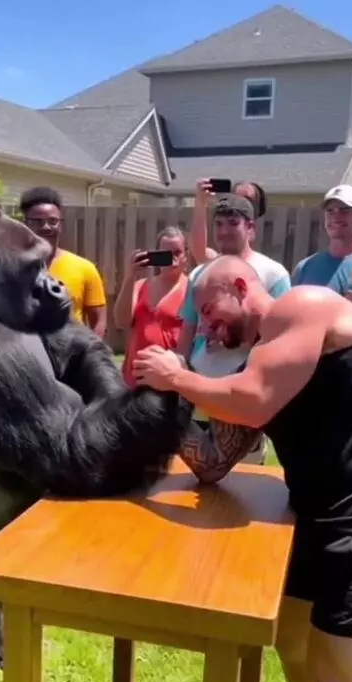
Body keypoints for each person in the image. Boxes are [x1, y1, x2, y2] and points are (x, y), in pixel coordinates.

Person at [132, 254, 352, 682]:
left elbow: (251, 400)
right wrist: (163, 412)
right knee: (293, 644)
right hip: (313, 517)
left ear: (243, 287)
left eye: (212, 311)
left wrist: (178, 376)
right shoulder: (264, 356)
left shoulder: (305, 306)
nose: (209, 327)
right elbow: (218, 459)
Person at [178, 194, 290, 466]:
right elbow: (188, 329)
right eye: (218, 224)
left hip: (245, 392)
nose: (225, 231)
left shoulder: (274, 274)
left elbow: (280, 333)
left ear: (250, 228)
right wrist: (179, 376)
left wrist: (234, 339)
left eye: (233, 223)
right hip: (202, 384)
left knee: (245, 479)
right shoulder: (200, 276)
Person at [292, 184, 352, 342]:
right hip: (313, 364)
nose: (336, 216)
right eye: (330, 211)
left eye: (344, 210)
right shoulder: (305, 268)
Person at [19, 187, 107, 337]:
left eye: (53, 221)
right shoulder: (10, 267)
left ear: (61, 224)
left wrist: (89, 355)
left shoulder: (84, 268)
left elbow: (98, 321)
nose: (46, 227)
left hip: (69, 355)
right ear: (25, 224)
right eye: (37, 222)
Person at [113, 226, 188, 387]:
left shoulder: (191, 290)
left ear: (185, 256)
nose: (172, 259)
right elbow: (121, 321)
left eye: (177, 253)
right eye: (166, 253)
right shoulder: (140, 286)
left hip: (168, 382)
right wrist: (130, 276)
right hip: (134, 379)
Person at [189, 178, 267, 266]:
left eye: (247, 200)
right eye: (235, 198)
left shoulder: (269, 271)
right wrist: (200, 202)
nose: (239, 204)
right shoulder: (216, 263)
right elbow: (200, 254)